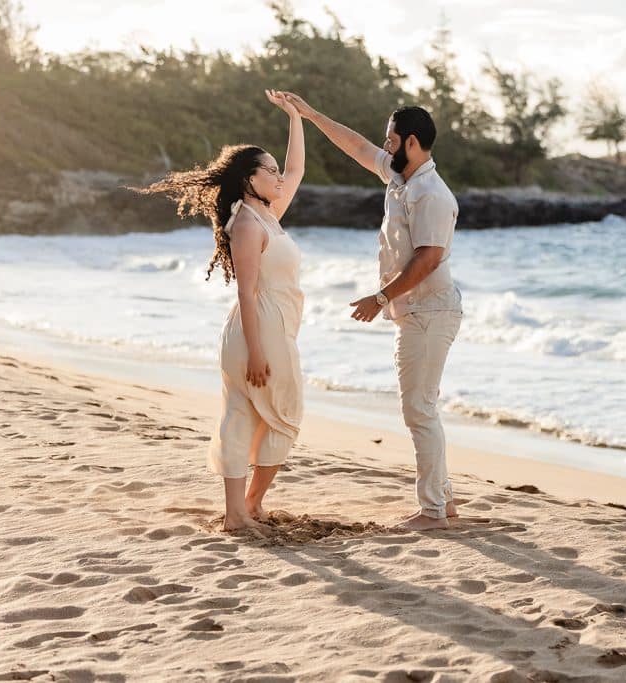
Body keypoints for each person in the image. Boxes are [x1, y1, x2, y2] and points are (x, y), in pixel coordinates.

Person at [280, 93, 463, 531]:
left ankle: (433, 511)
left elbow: (428, 258)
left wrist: (379, 298)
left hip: (430, 311)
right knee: (423, 407)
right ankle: (444, 500)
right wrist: (311, 113)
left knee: (419, 410)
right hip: (416, 311)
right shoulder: (401, 178)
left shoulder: (431, 194)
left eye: (392, 140)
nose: (385, 146)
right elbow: (358, 148)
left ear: (413, 143)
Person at [136, 90, 305, 532]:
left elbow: (298, 170)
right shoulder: (248, 224)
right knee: (281, 417)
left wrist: (296, 116)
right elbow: (247, 294)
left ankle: (244, 509)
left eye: (274, 167)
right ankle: (243, 508)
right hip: (258, 330)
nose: (277, 174)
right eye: (269, 170)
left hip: (271, 329)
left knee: (248, 416)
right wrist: (256, 351)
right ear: (249, 179)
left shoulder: (268, 215)